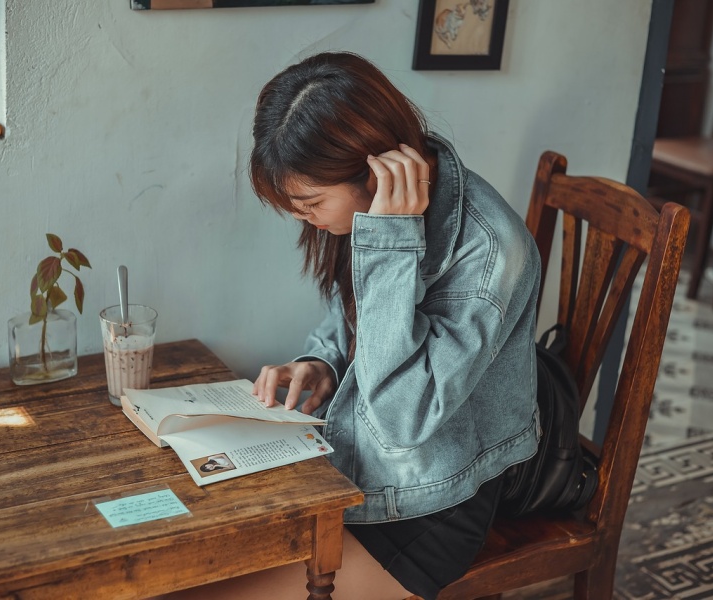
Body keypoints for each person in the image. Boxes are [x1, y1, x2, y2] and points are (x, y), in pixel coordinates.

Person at [161, 51, 541, 600]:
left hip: (427, 503)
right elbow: (355, 322)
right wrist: (320, 363)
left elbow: (401, 419)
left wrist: (392, 241)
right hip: (351, 466)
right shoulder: (380, 208)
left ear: (377, 175)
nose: (300, 218)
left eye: (310, 202)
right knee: (180, 565)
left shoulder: (489, 253)